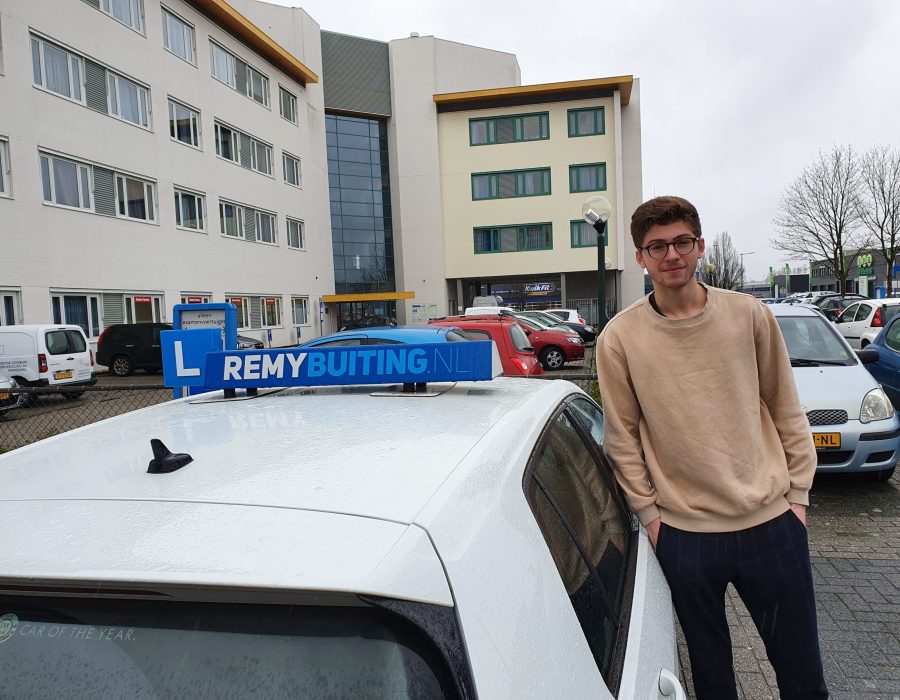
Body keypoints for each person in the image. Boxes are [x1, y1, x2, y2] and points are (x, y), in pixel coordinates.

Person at [595, 195, 828, 699]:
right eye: (657, 247)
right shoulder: (619, 338)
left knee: (804, 679)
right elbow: (622, 437)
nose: (671, 255)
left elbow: (786, 407)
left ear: (700, 246)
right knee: (712, 681)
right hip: (685, 535)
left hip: (772, 524)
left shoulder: (749, 315)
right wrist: (652, 518)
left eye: (682, 242)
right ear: (640, 257)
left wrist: (798, 497)